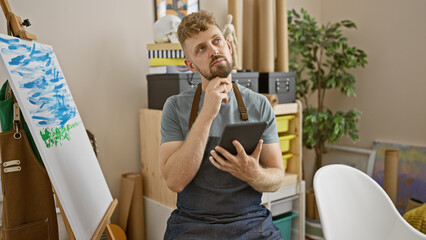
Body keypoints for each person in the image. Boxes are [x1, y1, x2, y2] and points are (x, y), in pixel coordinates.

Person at [159, 10, 284, 239]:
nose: (213, 50)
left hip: (250, 223)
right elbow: (174, 181)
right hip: (192, 225)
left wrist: (254, 174)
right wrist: (207, 114)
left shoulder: (260, 105)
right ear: (191, 65)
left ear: (228, 45)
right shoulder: (175, 107)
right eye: (201, 49)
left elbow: (277, 177)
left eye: (216, 41)